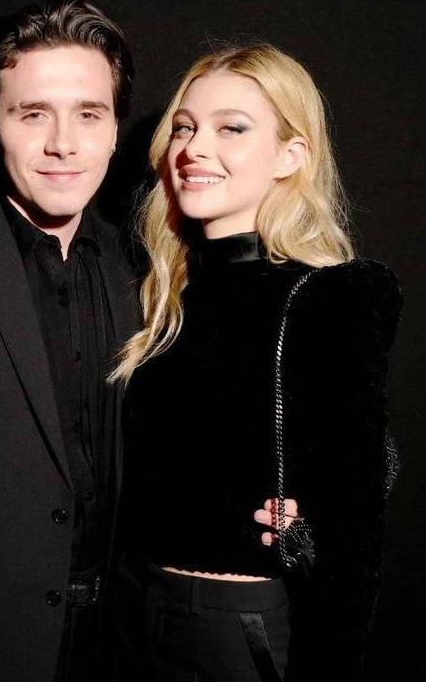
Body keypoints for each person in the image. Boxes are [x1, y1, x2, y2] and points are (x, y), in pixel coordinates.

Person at [0, 0, 293, 682]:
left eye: (89, 114)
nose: (63, 143)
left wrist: (283, 502)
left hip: (125, 648)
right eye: (33, 113)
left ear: (116, 129)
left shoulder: (149, 271)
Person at [111, 44, 402, 681]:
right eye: (184, 127)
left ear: (291, 155)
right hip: (125, 611)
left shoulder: (329, 296)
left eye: (232, 128)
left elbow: (355, 528)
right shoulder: (154, 291)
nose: (194, 148)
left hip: (229, 625)